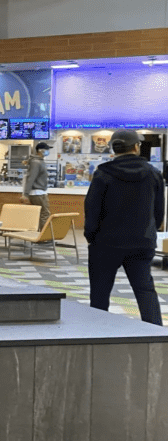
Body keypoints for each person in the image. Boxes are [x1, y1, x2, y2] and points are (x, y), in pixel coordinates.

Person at [84, 129, 164, 326]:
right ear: (136, 147)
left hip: (105, 243)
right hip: (141, 242)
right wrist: (151, 231)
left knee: (100, 293)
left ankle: (96, 333)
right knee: (145, 290)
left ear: (113, 148)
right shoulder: (153, 173)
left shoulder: (103, 172)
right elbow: (159, 211)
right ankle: (155, 333)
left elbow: (92, 208)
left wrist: (91, 236)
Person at [22, 142, 52, 228]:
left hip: (40, 192)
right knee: (44, 214)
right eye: (47, 150)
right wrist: (25, 194)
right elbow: (30, 178)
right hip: (37, 192)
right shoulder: (36, 162)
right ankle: (43, 238)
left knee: (42, 214)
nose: (48, 151)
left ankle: (41, 236)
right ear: (40, 151)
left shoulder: (39, 161)